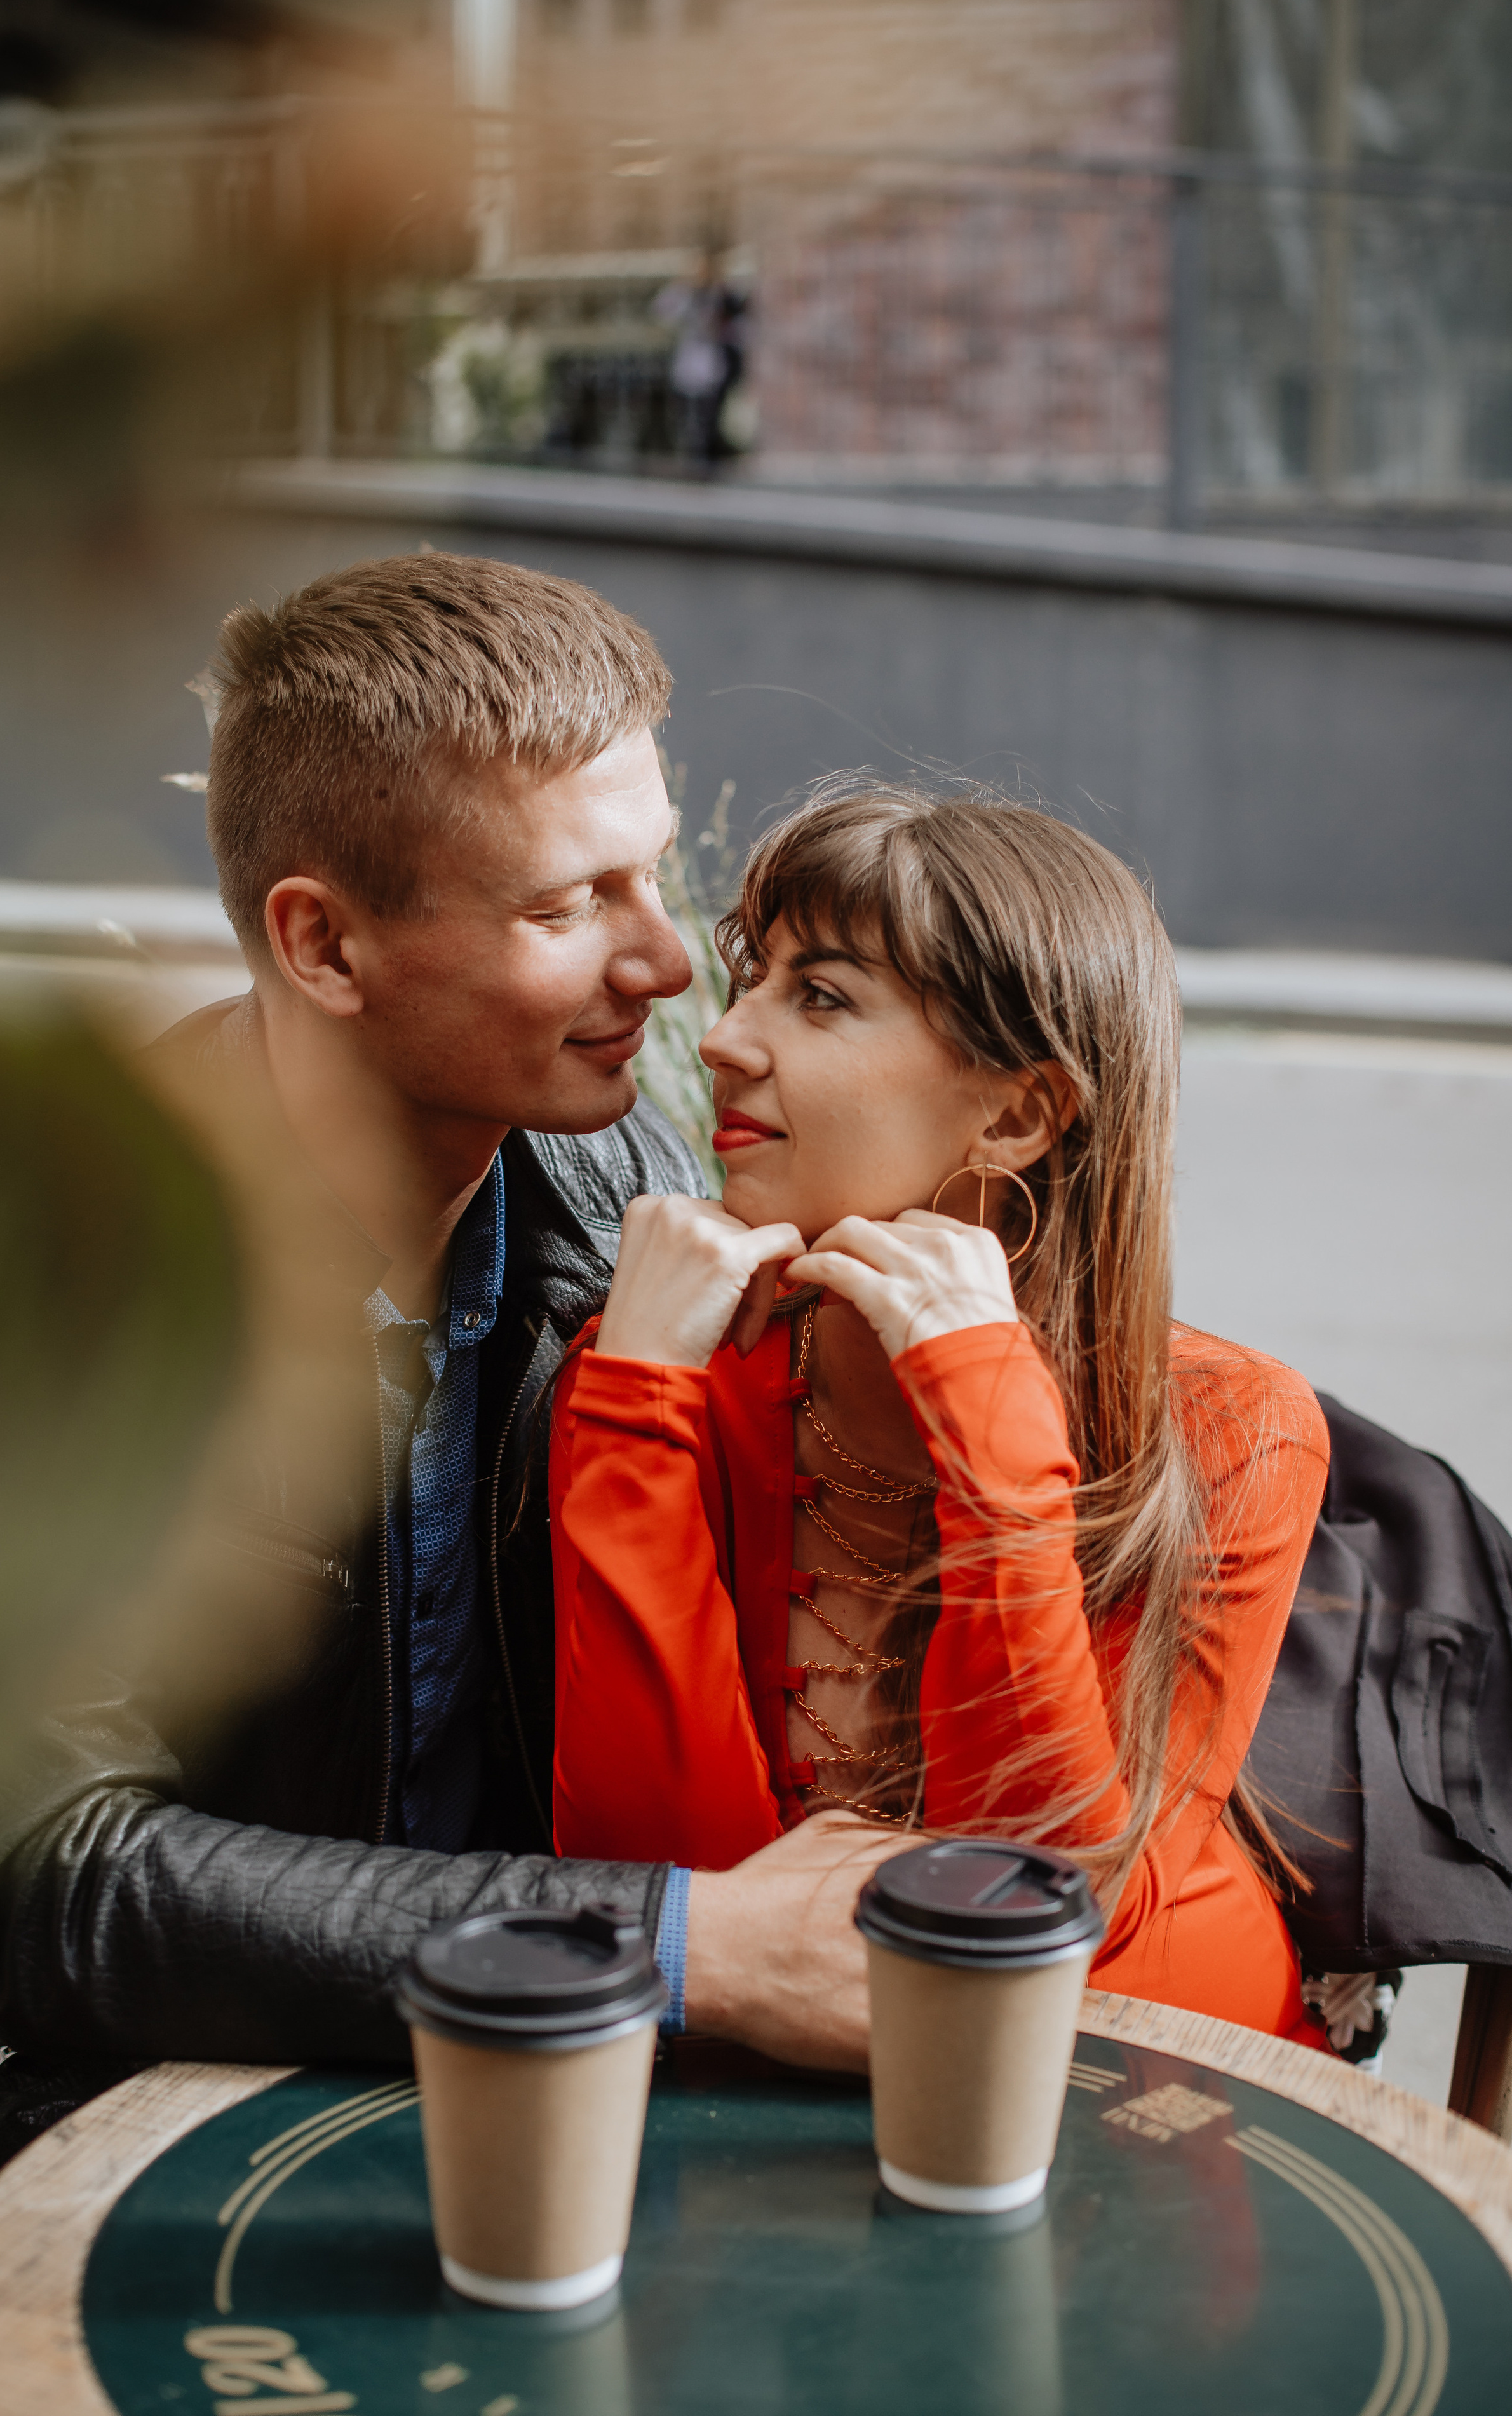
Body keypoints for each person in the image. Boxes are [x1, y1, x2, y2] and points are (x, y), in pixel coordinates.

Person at [0, 561, 912, 2353]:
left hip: (538, 2084)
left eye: (650, 870)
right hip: (130, 2131)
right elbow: (58, 1882)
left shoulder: (613, 1178)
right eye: (568, 903)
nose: (665, 964)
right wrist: (686, 1945)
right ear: (322, 943)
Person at [550, 785, 1332, 2045]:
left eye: (819, 996)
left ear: (1016, 1114)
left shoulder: (1235, 1428)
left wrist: (984, 1412)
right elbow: (662, 1889)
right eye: (752, 979)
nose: (720, 1039)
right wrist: (630, 1404)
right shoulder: (669, 1370)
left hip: (1149, 2081)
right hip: (765, 2089)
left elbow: (1036, 1901)